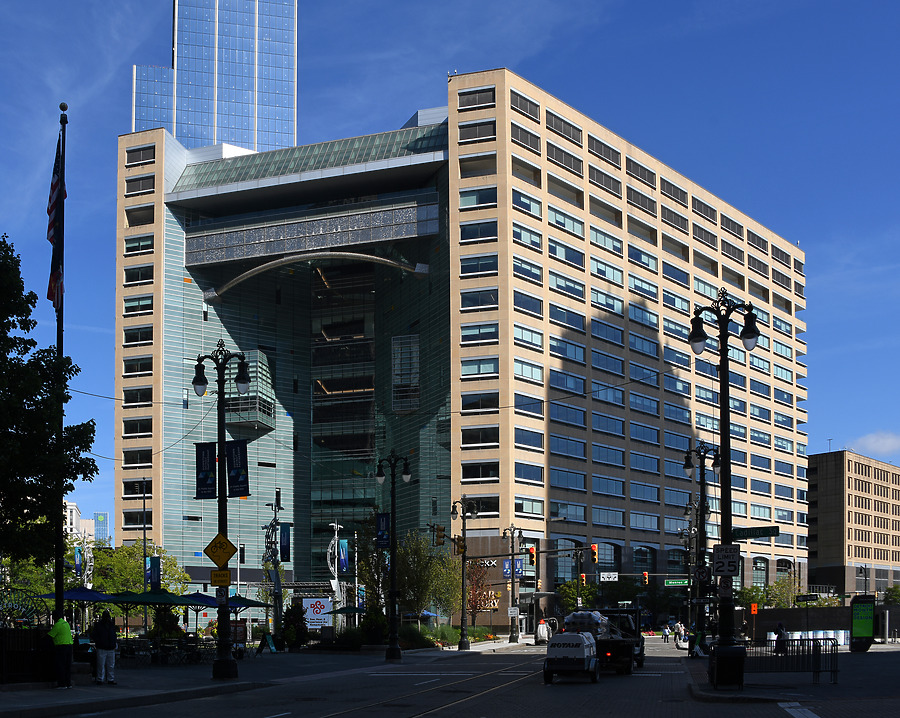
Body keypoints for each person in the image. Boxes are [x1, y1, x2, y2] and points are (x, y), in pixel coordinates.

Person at [47, 610, 73, 689]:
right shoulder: (66, 623)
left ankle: (62, 684)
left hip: (61, 647)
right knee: (67, 666)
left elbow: (50, 636)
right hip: (69, 645)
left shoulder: (57, 625)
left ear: (55, 617)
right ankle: (68, 683)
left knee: (61, 665)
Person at [92, 610, 118, 685]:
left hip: (103, 647)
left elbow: (94, 635)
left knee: (102, 664)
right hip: (108, 647)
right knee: (109, 665)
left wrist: (99, 642)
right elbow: (113, 635)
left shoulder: (99, 625)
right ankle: (109, 679)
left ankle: (101, 679)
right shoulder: (111, 625)